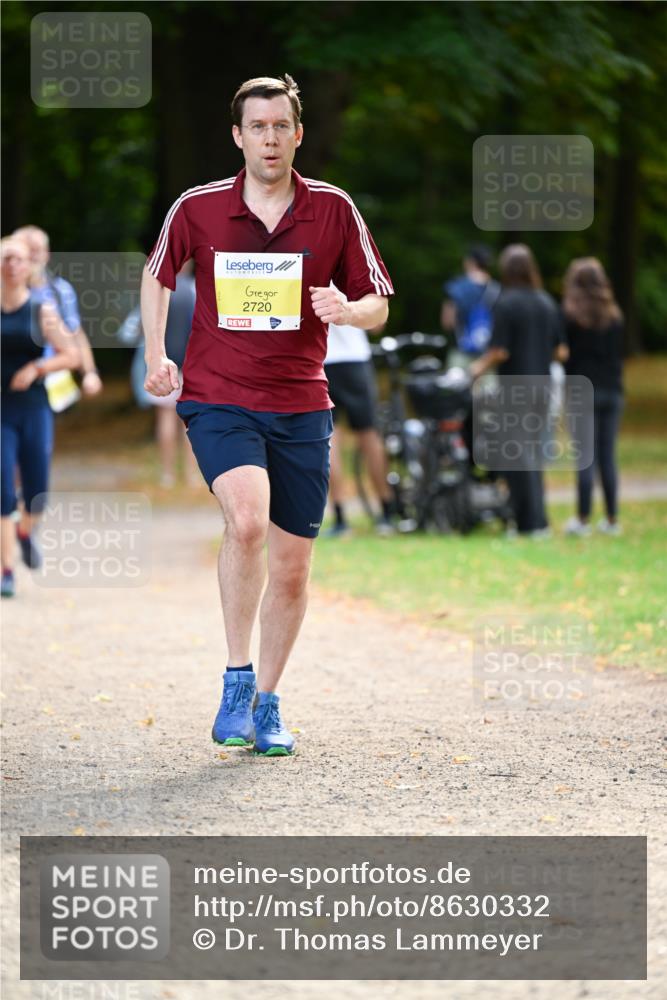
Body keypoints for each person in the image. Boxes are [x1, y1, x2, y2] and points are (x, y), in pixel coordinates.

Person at [141, 75, 393, 755]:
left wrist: (350, 309)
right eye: (258, 127)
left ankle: (269, 704)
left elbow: (379, 300)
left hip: (301, 402)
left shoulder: (333, 210)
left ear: (298, 134)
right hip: (220, 396)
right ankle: (235, 677)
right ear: (238, 136)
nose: (270, 138)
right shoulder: (198, 207)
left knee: (292, 569)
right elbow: (158, 273)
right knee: (247, 521)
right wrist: (156, 353)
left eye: (281, 126)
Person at [470, 244, 568, 536]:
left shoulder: (506, 303)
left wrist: (477, 368)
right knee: (534, 452)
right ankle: (539, 520)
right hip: (543, 386)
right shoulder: (547, 302)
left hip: (515, 387)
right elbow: (561, 351)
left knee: (515, 454)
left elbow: (499, 350)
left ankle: (528, 523)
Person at [1, 235, 79, 597]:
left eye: (17, 259)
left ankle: (24, 532)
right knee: (3, 491)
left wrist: (37, 368)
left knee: (37, 493)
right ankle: (6, 572)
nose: (11, 265)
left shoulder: (40, 310)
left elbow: (71, 355)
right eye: (5, 259)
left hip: (33, 408)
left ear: (27, 265)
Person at [561, 258, 624, 537]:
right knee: (607, 456)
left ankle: (583, 518)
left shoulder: (570, 316)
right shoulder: (614, 315)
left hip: (581, 391)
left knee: (585, 457)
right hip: (613, 390)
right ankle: (611, 519)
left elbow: (565, 357)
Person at [121, 263, 199, 487]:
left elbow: (128, 332)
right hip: (191, 366)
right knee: (189, 423)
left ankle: (167, 474)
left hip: (163, 365)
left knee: (165, 419)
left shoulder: (155, 292)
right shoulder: (196, 290)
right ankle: (192, 475)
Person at [324, 306, 393, 536]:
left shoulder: (308, 270)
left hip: (322, 359)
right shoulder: (354, 272)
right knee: (369, 435)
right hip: (355, 360)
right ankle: (386, 512)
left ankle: (340, 517)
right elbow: (376, 324)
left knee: (329, 438)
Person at [14, 225, 103, 398]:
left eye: (36, 250)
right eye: (26, 250)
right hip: (13, 377)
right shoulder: (5, 293)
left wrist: (90, 372)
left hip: (53, 381)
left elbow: (75, 332)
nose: (32, 256)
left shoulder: (60, 291)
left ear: (47, 254)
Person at [441, 244, 501, 366]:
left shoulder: (456, 287)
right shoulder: (499, 290)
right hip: (487, 358)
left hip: (460, 353)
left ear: (470, 261)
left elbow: (447, 323)